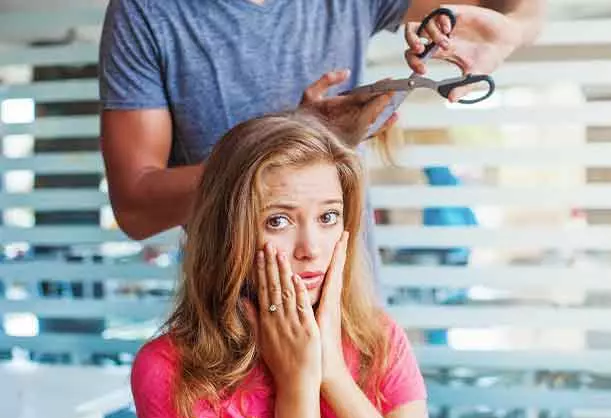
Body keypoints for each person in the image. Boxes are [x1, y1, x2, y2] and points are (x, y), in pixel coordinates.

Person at [99, 0, 545, 278]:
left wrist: (512, 30)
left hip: (352, 314)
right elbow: (136, 208)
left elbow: (510, 8)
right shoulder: (147, 11)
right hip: (231, 330)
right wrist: (298, 140)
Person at [130, 110, 440, 418]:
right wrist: (297, 385)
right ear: (227, 234)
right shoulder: (172, 367)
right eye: (278, 221)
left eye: (328, 216)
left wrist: (334, 374)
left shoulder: (379, 339)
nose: (310, 249)